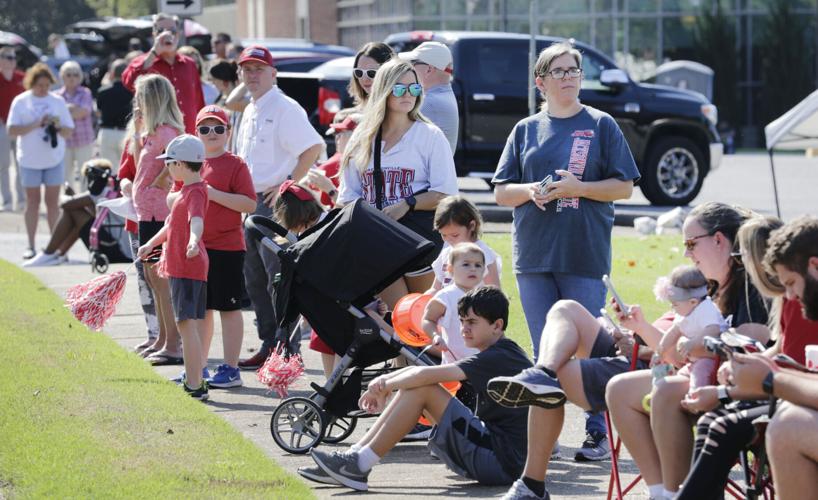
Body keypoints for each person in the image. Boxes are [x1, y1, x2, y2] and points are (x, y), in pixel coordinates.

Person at [491, 41, 640, 462]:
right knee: (545, 352)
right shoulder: (525, 130)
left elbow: (625, 186)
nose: (569, 76)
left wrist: (579, 189)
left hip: (583, 252)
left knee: (591, 349)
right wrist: (532, 192)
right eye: (558, 71)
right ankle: (546, 439)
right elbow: (502, 192)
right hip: (534, 254)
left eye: (573, 69)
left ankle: (597, 433)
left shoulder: (601, 124)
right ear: (541, 82)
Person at [605, 202, 769, 499]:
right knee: (619, 389)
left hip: (740, 388)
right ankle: (660, 493)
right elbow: (677, 353)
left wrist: (698, 346)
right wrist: (641, 326)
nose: (686, 253)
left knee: (666, 390)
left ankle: (679, 492)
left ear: (719, 240)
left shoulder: (750, 286)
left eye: (691, 243)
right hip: (702, 376)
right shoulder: (710, 289)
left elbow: (751, 344)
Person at [300, 287, 532, 492]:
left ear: (497, 325)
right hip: (496, 453)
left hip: (499, 461)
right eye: (461, 321)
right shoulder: (501, 351)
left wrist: (382, 384)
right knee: (417, 387)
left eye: (472, 322)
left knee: (423, 388)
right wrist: (386, 385)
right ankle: (353, 458)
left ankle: (357, 464)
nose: (464, 329)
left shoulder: (500, 355)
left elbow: (426, 375)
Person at [675, 215, 818, 499]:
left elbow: (795, 367)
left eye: (790, 281)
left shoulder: (800, 306)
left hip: (782, 406)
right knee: (715, 422)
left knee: (785, 427)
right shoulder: (795, 301)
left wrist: (754, 382)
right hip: (781, 400)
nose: (788, 293)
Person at [338, 57, 459, 307]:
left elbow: (445, 193)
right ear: (383, 90)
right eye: (399, 88)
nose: (408, 94)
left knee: (419, 316)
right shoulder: (363, 138)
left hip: (417, 241)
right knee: (395, 318)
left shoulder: (429, 135)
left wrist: (408, 203)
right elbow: (347, 195)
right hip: (375, 242)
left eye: (414, 88)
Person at [233, 45, 324, 370]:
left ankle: (288, 349)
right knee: (254, 279)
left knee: (279, 278)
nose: (252, 74)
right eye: (247, 69)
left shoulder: (285, 107)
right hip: (250, 204)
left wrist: (286, 183)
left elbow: (313, 146)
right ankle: (270, 343)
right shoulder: (250, 109)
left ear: (273, 73)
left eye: (259, 69)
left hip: (275, 205)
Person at [138, 134, 209, 400]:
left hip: (189, 266)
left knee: (186, 325)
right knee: (186, 324)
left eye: (168, 163)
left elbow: (197, 221)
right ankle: (196, 379)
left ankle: (194, 383)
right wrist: (150, 243)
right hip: (180, 265)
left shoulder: (196, 192)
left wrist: (193, 242)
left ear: (179, 164)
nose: (166, 168)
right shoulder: (184, 192)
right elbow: (171, 225)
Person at [192, 105, 255, 388]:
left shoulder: (236, 164)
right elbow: (172, 199)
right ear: (196, 134)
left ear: (228, 132)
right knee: (201, 311)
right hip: (197, 248)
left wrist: (213, 194)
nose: (212, 133)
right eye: (205, 129)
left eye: (218, 128)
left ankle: (230, 367)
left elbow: (249, 204)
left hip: (227, 247)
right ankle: (200, 367)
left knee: (229, 309)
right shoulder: (191, 162)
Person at [131, 74, 184, 366]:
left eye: (140, 97)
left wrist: (158, 183)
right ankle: (163, 338)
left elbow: (175, 166)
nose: (137, 102)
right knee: (152, 277)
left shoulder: (167, 132)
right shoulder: (151, 132)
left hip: (158, 212)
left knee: (161, 279)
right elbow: (140, 161)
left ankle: (173, 343)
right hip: (146, 211)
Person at [7, 62, 74, 260]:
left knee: (52, 203)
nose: (43, 89)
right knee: (33, 202)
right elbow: (12, 130)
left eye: (46, 85)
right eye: (39, 85)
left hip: (53, 159)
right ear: (31, 83)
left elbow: (68, 131)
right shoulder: (21, 101)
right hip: (29, 159)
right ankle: (31, 245)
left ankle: (55, 248)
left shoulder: (57, 101)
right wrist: (37, 124)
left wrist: (56, 126)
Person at [22, 158, 115, 267]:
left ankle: (49, 253)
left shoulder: (103, 189)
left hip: (112, 248)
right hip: (111, 244)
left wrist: (69, 196)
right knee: (77, 215)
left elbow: (65, 204)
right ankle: (59, 254)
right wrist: (73, 198)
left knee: (73, 210)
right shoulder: (111, 187)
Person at [122, 13, 204, 134]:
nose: (167, 35)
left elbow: (199, 102)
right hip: (156, 139)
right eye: (161, 31)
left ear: (179, 33)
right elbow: (129, 83)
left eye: (172, 30)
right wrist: (154, 52)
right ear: (154, 34)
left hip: (189, 136)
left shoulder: (189, 64)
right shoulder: (145, 61)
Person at [118, 121, 160, 354]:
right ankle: (152, 333)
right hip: (135, 217)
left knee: (159, 278)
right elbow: (123, 174)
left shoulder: (166, 135)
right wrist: (127, 186)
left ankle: (166, 336)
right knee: (143, 277)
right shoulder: (133, 140)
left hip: (157, 219)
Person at [653, 265, 726, 391]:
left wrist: (692, 343)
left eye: (675, 304)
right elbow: (673, 332)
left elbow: (713, 329)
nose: (672, 308)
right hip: (694, 360)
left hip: (711, 359)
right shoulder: (686, 312)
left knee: (699, 376)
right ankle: (682, 399)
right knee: (681, 376)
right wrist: (660, 351)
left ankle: (696, 399)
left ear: (693, 302)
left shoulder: (706, 310)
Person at [422, 242, 484, 364]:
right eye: (466, 264)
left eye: (478, 265)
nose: (473, 268)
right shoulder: (446, 296)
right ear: (450, 269)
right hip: (454, 363)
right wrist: (435, 336)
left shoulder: (485, 295)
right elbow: (428, 320)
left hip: (483, 360)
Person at [430, 195, 501, 292]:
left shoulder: (483, 253)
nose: (448, 240)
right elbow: (435, 288)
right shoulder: (447, 252)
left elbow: (494, 292)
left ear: (472, 225)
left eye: (455, 235)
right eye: (444, 235)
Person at [398, 41, 458, 154]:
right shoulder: (440, 95)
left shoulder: (430, 102)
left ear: (429, 69)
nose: (409, 67)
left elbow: (391, 129)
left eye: (413, 63)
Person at [306, 108, 359, 208]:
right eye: (336, 133)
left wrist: (330, 190)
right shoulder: (350, 163)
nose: (337, 138)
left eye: (341, 133)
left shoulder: (366, 165)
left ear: (355, 137)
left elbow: (352, 210)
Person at [57, 61, 95, 191]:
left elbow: (84, 112)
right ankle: (69, 203)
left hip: (83, 140)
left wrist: (65, 111)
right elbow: (56, 117)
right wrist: (73, 109)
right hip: (64, 141)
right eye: (68, 74)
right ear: (62, 76)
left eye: (75, 74)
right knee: (65, 175)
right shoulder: (57, 96)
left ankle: (84, 203)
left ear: (79, 77)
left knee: (85, 174)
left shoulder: (85, 92)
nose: (72, 77)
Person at [95, 59, 132, 172]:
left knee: (108, 170)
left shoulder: (103, 91)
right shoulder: (132, 92)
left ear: (112, 73)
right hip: (126, 133)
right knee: (126, 170)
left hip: (107, 133)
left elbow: (98, 112)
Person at [0, 46, 25, 212]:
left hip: (20, 126)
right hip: (1, 124)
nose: (12, 60)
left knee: (20, 164)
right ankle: (7, 201)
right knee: (3, 164)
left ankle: (21, 200)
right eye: (8, 57)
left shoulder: (22, 78)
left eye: (13, 57)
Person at [208, 60, 241, 152]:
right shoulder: (220, 99)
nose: (213, 84)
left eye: (214, 80)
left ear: (223, 81)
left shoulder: (239, 102)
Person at [348, 42, 395, 107]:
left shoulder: (399, 110)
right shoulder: (357, 113)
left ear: (389, 72)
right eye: (359, 72)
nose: (364, 79)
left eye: (371, 73)